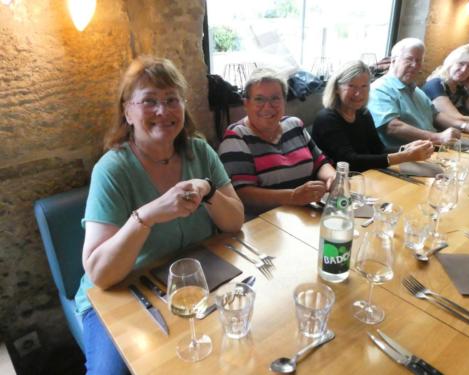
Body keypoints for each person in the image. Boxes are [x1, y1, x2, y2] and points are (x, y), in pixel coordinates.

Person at [76, 56, 244, 374]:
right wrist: (148, 215)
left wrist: (208, 190)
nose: (162, 111)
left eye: (171, 100)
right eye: (149, 101)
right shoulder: (112, 170)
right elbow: (100, 273)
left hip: (196, 279)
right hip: (122, 294)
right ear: (127, 110)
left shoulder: (200, 151)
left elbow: (234, 222)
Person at [218, 68, 336, 216]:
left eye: (275, 98)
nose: (268, 106)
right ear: (246, 104)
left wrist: (333, 178)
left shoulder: (294, 125)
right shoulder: (236, 137)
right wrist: (293, 196)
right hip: (265, 226)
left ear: (284, 101)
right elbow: (242, 194)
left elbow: (320, 163)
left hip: (306, 217)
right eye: (259, 99)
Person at [367, 38, 469, 149]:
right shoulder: (379, 89)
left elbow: (436, 116)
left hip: (431, 150)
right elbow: (393, 127)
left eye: (419, 60)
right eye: (409, 59)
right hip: (403, 157)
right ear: (394, 60)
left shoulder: (417, 91)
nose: (415, 65)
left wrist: (467, 127)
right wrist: (437, 137)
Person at [312, 60, 434, 172]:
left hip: (368, 177)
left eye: (364, 86)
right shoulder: (326, 119)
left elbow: (378, 150)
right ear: (337, 88)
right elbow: (349, 161)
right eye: (351, 86)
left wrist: (406, 148)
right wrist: (405, 156)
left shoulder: (363, 113)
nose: (358, 93)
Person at [422, 44, 469, 130]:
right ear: (450, 63)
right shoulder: (436, 84)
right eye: (461, 63)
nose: (464, 70)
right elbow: (456, 118)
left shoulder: (459, 87)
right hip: (432, 135)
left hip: (452, 132)